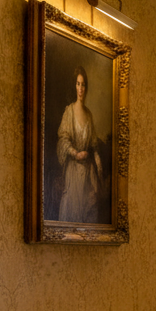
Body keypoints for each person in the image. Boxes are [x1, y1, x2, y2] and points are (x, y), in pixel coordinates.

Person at [55, 65, 105, 223]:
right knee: (72, 213)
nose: (81, 88)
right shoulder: (69, 111)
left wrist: (98, 168)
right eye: (78, 84)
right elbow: (63, 139)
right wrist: (75, 153)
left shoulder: (89, 115)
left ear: (86, 87)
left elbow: (94, 146)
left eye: (83, 85)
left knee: (89, 212)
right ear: (74, 86)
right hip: (73, 173)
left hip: (87, 174)